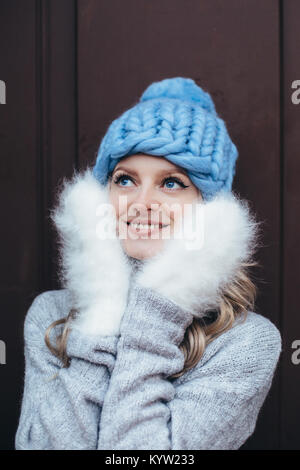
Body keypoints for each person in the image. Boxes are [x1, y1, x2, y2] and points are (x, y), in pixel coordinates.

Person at [15, 77, 282, 450]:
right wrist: (102, 311)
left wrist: (160, 311)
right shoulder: (49, 316)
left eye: (171, 183)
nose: (141, 202)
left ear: (212, 212)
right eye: (125, 180)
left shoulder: (248, 342)